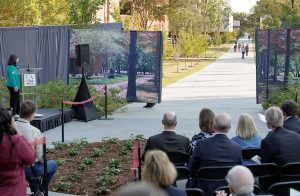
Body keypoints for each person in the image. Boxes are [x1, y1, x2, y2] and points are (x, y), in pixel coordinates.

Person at [188, 113, 242, 195]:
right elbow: (239, 171)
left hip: (203, 190)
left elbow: (191, 169)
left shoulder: (201, 145)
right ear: (229, 128)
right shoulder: (237, 147)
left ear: (213, 126)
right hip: (227, 190)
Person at [16, 101, 57, 194]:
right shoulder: (35, 131)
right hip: (27, 169)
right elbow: (41, 157)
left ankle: (36, 190)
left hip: (10, 168)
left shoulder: (10, 127)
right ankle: (41, 191)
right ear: (31, 115)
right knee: (52, 165)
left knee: (31, 164)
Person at [0, 105, 36, 196]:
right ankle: (38, 190)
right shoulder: (12, 141)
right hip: (12, 190)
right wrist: (16, 129)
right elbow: (31, 158)